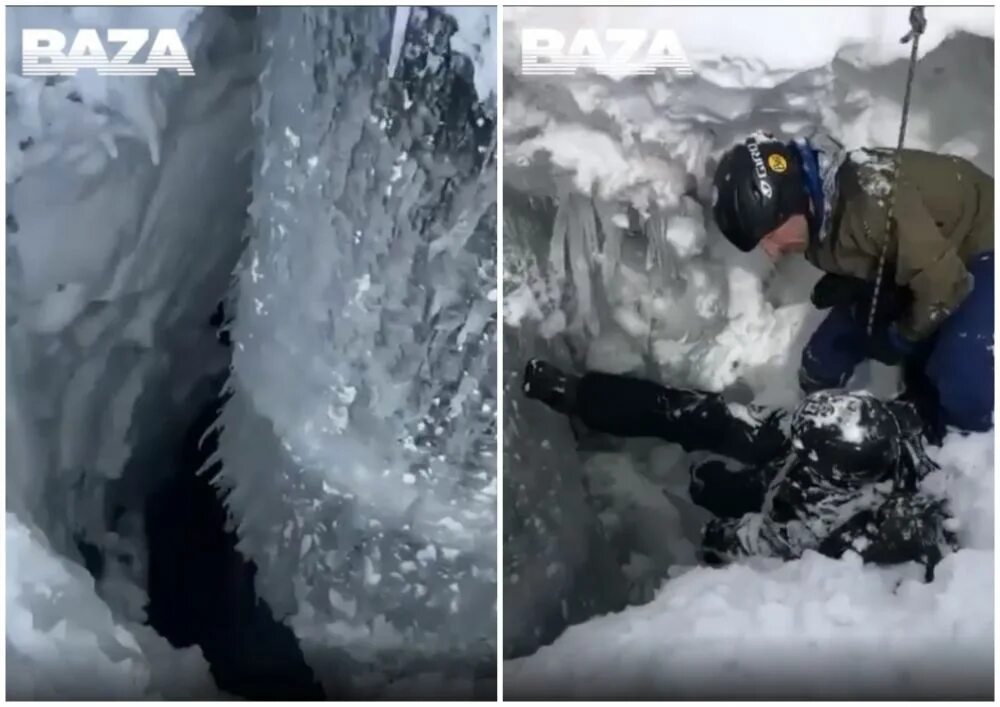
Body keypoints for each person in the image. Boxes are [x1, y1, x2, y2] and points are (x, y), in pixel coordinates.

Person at [521, 359, 957, 579]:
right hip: (799, 466)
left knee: (710, 488)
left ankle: (700, 487)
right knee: (704, 416)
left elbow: (755, 539)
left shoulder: (819, 526)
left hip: (783, 494)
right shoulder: (886, 431)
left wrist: (715, 535)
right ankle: (583, 395)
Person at [712, 132, 994, 435]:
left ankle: (956, 444)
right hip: (931, 257)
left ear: (791, 204)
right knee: (823, 357)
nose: (769, 249)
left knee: (963, 371)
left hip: (982, 245)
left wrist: (903, 335)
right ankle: (800, 421)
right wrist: (856, 283)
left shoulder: (874, 198)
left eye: (768, 234)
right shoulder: (815, 217)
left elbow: (947, 283)